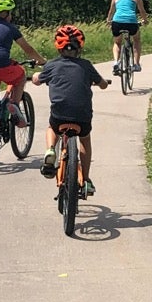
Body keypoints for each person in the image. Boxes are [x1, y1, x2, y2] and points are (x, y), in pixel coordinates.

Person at [33, 24, 110, 196]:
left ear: (58, 47)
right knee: (84, 140)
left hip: (59, 114)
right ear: (80, 47)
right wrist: (103, 82)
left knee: (52, 127)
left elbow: (37, 81)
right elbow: (103, 85)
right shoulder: (86, 65)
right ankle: (86, 180)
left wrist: (37, 76)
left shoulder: (52, 65)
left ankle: (51, 149)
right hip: (82, 116)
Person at [107, 0, 146, 71]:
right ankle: (136, 65)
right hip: (131, 22)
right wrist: (145, 20)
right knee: (136, 40)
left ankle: (116, 62)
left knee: (117, 43)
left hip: (117, 22)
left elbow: (111, 11)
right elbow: (142, 10)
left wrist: (108, 20)